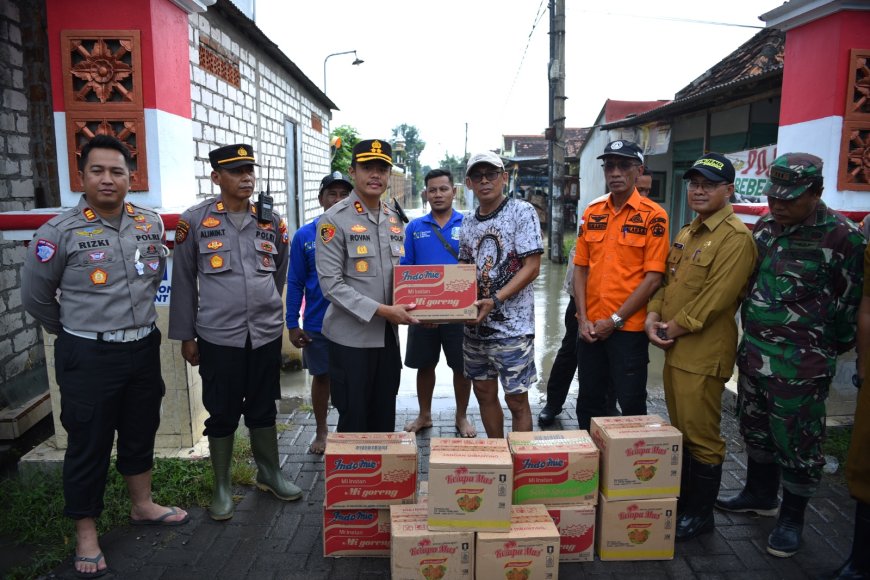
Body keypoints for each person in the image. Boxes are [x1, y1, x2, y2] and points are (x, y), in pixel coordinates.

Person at [21, 135, 188, 578]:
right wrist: (81, 333)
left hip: (142, 347)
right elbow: (36, 299)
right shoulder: (58, 233)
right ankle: (87, 534)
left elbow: (153, 283)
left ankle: (143, 505)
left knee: (139, 429)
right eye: (98, 171)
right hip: (88, 354)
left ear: (131, 177)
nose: (108, 179)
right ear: (83, 176)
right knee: (88, 443)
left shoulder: (149, 223)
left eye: (117, 171)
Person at [715, 153, 864, 558]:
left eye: (790, 198)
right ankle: (760, 495)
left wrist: (820, 351)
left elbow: (850, 309)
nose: (778, 205)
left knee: (798, 445)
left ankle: (792, 518)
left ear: (815, 193)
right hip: (755, 356)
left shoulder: (843, 237)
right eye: (774, 196)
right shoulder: (765, 226)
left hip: (800, 366)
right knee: (756, 431)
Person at [169, 143, 301, 521]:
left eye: (249, 170)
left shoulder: (271, 221)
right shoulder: (194, 221)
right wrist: (186, 335)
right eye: (235, 171)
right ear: (216, 177)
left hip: (263, 333)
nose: (246, 177)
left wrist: (266, 309)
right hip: (217, 336)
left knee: (263, 407)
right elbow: (182, 280)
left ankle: (269, 472)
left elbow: (280, 270)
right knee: (222, 412)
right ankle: (222, 486)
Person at [644, 153, 757, 540]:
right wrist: (652, 316)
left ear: (729, 190)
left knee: (703, 437)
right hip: (676, 348)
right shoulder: (689, 231)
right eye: (694, 183)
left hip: (703, 352)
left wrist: (672, 326)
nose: (699, 190)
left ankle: (700, 515)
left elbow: (716, 299)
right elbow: (668, 282)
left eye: (709, 184)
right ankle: (687, 503)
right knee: (682, 431)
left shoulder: (736, 238)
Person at [315, 139, 419, 432]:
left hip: (387, 339)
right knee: (354, 418)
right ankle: (354, 478)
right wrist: (385, 311)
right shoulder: (333, 220)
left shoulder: (394, 218)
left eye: (382, 169)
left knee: (385, 415)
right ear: (352, 171)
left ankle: (381, 478)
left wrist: (428, 309)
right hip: (351, 341)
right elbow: (331, 285)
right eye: (367, 168)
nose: (376, 175)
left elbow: (404, 277)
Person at [573, 140, 669, 430]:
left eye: (623, 166)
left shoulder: (654, 217)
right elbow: (580, 268)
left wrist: (614, 321)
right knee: (589, 401)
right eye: (610, 166)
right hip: (590, 329)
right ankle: (589, 467)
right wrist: (582, 318)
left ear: (638, 171)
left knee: (631, 404)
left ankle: (628, 470)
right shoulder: (593, 212)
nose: (615, 172)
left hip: (628, 331)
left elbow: (653, 278)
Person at [459, 151, 543, 437]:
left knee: (516, 399)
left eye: (491, 174)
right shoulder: (468, 222)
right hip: (475, 328)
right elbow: (464, 267)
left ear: (504, 178)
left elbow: (532, 267)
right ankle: (497, 456)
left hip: (512, 329)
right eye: (478, 176)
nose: (485, 181)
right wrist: (450, 306)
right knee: (483, 392)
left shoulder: (522, 211)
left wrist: (495, 299)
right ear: (469, 183)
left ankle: (521, 464)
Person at [401, 169, 476, 438]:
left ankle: (461, 416)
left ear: (454, 191)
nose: (438, 194)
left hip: (458, 312)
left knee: (462, 367)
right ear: (425, 193)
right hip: (423, 314)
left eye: (443, 189)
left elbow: (475, 267)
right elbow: (405, 269)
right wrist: (417, 309)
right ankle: (425, 415)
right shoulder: (414, 227)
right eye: (432, 190)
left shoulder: (468, 224)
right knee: (425, 366)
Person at [286, 171, 352, 453]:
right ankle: (322, 432)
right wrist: (292, 322)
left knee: (352, 379)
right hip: (317, 323)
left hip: (354, 322)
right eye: (332, 194)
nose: (338, 200)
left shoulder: (359, 232)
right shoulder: (305, 235)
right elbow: (295, 281)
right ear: (321, 199)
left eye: (343, 194)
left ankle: (349, 430)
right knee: (321, 377)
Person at [825, 243, 870, 579]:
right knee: (863, 464)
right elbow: (865, 308)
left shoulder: (840, 234)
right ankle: (860, 562)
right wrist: (864, 368)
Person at [537, 246, 579, 427]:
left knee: (611, 352)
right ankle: (553, 403)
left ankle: (609, 403)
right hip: (581, 296)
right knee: (569, 351)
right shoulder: (592, 219)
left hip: (618, 298)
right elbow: (577, 258)